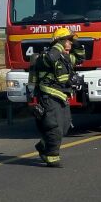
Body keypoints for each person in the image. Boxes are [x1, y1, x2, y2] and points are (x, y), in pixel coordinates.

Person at [27, 26, 86, 167]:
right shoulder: (46, 57)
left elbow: (80, 57)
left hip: (62, 96)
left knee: (65, 127)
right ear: (60, 42)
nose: (70, 44)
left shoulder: (66, 58)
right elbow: (50, 58)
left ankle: (43, 146)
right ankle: (52, 157)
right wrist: (59, 44)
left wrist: (75, 41)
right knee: (54, 128)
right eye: (68, 41)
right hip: (49, 95)